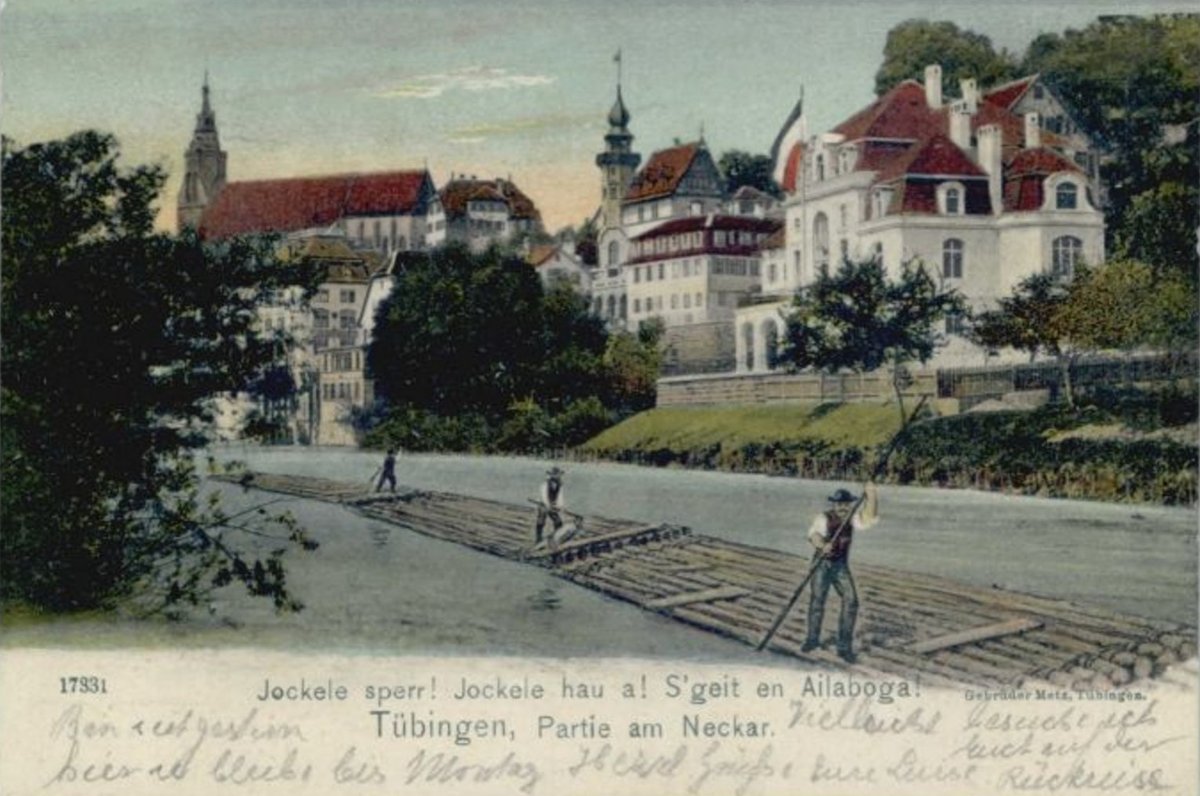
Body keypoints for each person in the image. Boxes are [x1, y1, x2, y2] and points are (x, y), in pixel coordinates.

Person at [801, 482, 879, 663]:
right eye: (839, 504)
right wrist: (822, 545)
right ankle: (812, 640)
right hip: (822, 564)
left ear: (849, 505)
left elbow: (869, 518)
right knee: (818, 601)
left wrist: (872, 495)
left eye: (846, 504)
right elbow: (813, 535)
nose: (843, 507)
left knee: (851, 601)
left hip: (840, 565)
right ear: (834, 505)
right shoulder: (823, 518)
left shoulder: (852, 518)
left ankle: (844, 648)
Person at [534, 466, 567, 547]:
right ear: (552, 475)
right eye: (556, 475)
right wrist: (548, 506)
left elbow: (560, 497)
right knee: (541, 520)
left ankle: (556, 538)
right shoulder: (545, 485)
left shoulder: (560, 485)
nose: (558, 477)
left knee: (558, 522)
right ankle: (538, 538)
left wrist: (560, 506)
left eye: (559, 475)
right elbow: (544, 496)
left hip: (552, 505)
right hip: (543, 504)